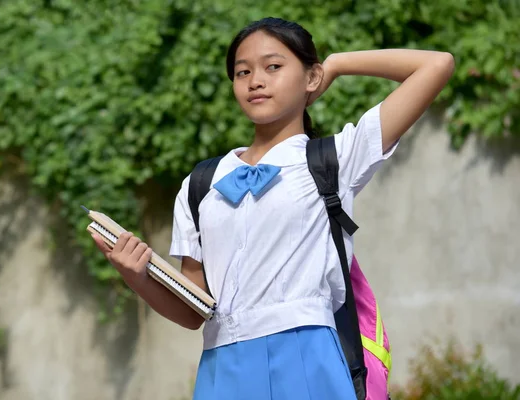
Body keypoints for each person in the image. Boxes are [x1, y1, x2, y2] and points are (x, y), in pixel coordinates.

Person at [92, 17, 454, 400]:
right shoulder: (200, 184)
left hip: (309, 356)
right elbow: (194, 311)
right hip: (223, 365)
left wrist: (335, 64)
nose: (255, 80)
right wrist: (136, 276)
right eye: (242, 71)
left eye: (273, 67)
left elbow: (436, 65)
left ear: (310, 78)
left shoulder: (337, 158)